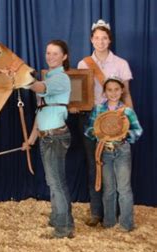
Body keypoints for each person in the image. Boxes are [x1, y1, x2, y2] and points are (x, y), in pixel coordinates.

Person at [74, 19, 134, 227]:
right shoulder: (84, 64)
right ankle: (96, 212)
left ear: (109, 40)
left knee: (116, 165)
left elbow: (126, 94)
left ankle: (117, 214)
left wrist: (129, 119)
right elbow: (80, 94)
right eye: (97, 38)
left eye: (104, 38)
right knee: (94, 164)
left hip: (114, 120)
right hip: (91, 119)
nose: (100, 42)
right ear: (91, 40)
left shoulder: (121, 64)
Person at [24, 40, 74, 239]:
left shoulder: (61, 78)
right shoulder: (50, 76)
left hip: (55, 136)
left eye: (55, 53)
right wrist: (31, 140)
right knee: (53, 181)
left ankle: (63, 228)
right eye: (48, 53)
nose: (50, 56)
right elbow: (41, 113)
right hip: (47, 136)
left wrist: (21, 79)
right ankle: (59, 219)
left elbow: (39, 87)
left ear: (64, 57)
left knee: (57, 183)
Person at [84, 76, 142, 231]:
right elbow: (88, 131)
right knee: (108, 188)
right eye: (109, 90)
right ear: (104, 92)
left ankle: (126, 224)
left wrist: (125, 135)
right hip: (104, 151)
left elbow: (137, 131)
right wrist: (100, 133)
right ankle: (109, 222)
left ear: (122, 90)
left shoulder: (127, 111)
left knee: (124, 188)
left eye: (116, 89)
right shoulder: (98, 109)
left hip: (122, 150)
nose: (113, 93)